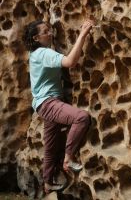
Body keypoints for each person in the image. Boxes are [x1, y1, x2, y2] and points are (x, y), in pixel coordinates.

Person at [23, 19, 94, 193]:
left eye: (50, 30)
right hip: (49, 103)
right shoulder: (43, 53)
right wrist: (83, 33)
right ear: (36, 38)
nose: (51, 33)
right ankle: (68, 159)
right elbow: (70, 62)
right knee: (82, 118)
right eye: (46, 31)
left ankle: (47, 183)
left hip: (43, 105)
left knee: (50, 146)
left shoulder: (37, 54)